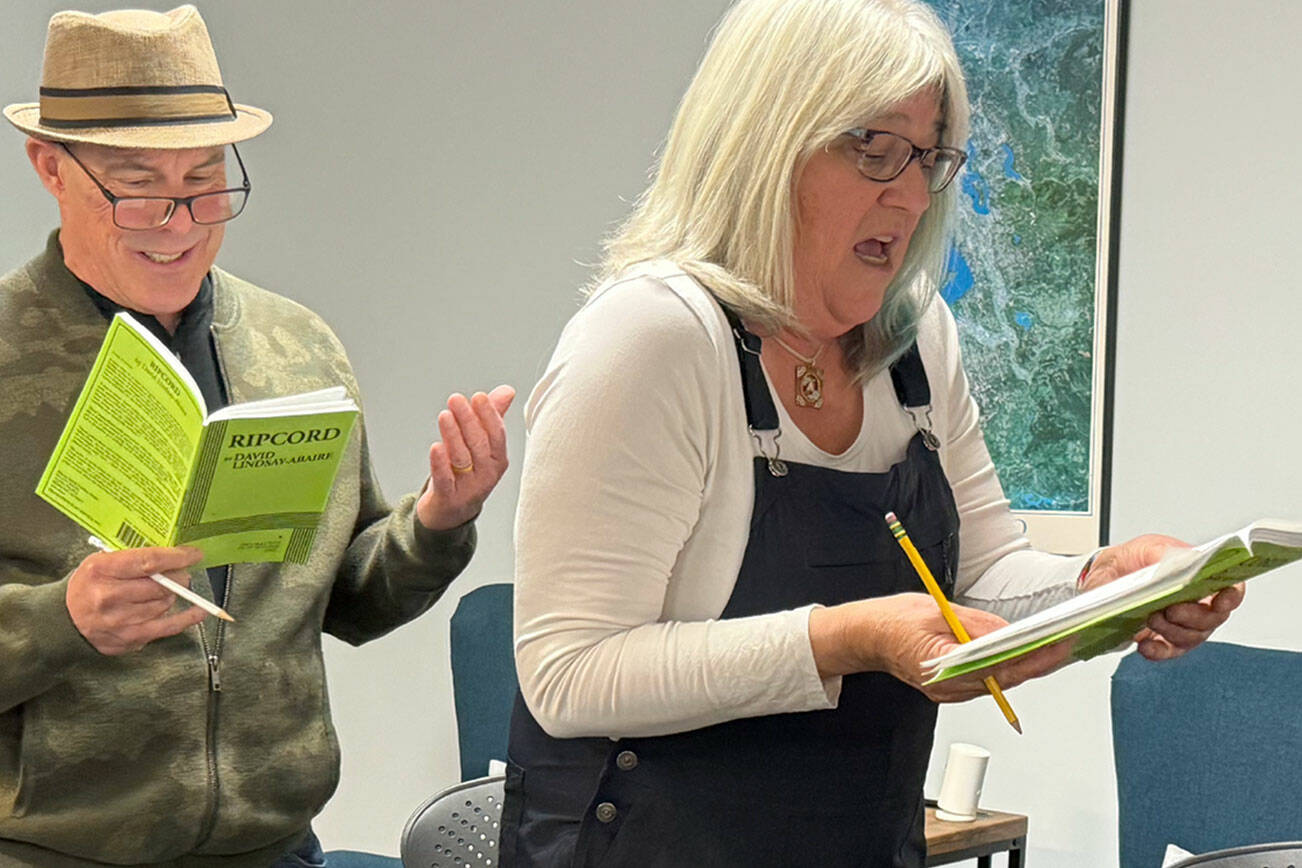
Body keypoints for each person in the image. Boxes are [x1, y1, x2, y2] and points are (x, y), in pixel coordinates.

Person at [501, 0, 1243, 865]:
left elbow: (984, 575)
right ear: (764, 144)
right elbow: (569, 674)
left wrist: (1106, 586)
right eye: (874, 148)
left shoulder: (918, 340)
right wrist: (845, 639)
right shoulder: (654, 338)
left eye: (929, 157)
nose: (912, 193)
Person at [0, 6, 512, 865]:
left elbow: (349, 598)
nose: (180, 224)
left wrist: (437, 521)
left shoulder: (298, 348)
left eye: (205, 183)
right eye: (137, 189)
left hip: (277, 847)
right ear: (50, 167)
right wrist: (64, 619)